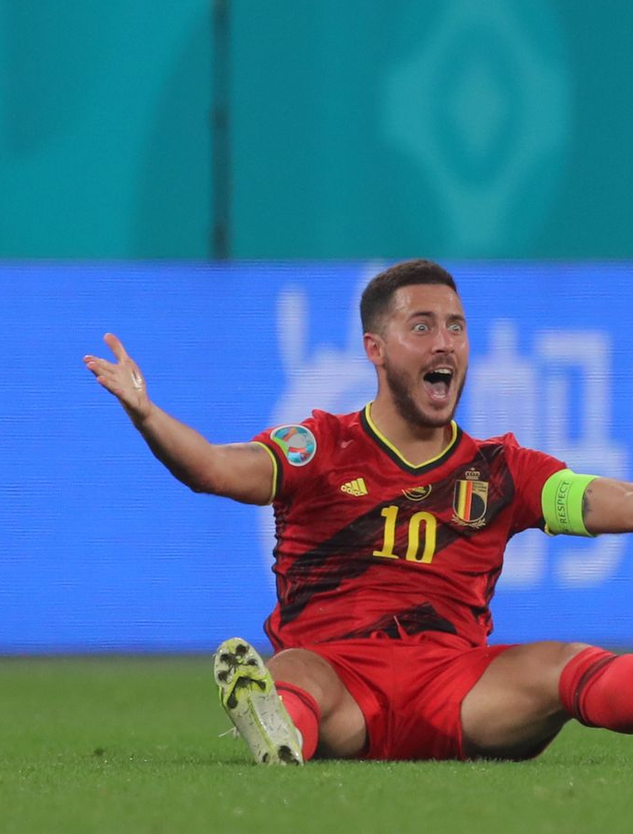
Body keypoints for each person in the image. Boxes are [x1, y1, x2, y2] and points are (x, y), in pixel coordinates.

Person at [84, 259, 633, 763]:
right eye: (422, 327)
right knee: (296, 671)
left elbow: (595, 500)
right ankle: (279, 729)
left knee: (564, 663)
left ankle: (280, 719)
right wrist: (148, 415)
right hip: (342, 683)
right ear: (376, 348)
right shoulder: (319, 447)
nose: (444, 343)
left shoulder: (501, 470)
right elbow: (212, 467)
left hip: (460, 691)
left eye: (456, 327)